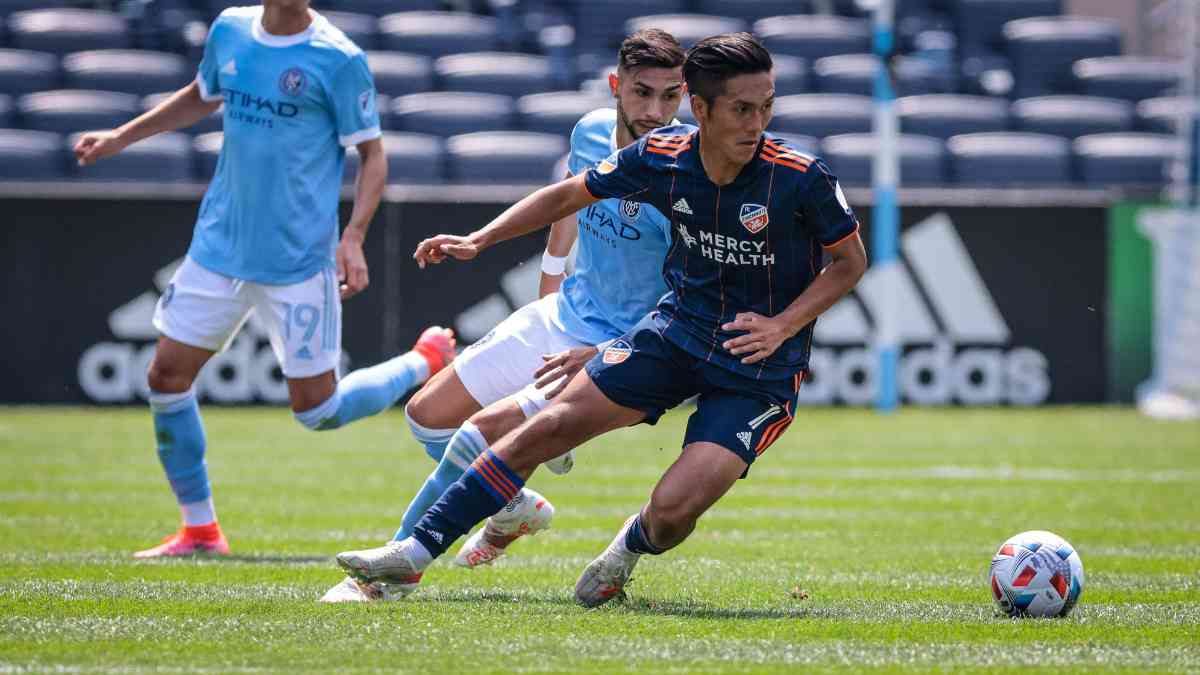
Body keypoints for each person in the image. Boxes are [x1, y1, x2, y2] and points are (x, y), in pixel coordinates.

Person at [334, 32, 869, 607]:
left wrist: (783, 323)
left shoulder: (799, 176)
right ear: (703, 108)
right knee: (543, 428)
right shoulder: (662, 159)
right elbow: (565, 197)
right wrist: (480, 239)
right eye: (742, 109)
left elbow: (850, 261)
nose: (756, 124)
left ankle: (629, 547)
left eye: (766, 107)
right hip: (675, 335)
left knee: (672, 514)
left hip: (755, 367)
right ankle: (413, 552)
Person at [73, 0, 455, 558]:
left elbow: (373, 155)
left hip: (298, 261)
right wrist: (120, 138)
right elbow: (201, 96)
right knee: (166, 377)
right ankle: (201, 530)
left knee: (317, 411)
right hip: (218, 248)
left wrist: (352, 237)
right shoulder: (230, 29)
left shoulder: (338, 57)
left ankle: (423, 362)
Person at [320, 29, 687, 602]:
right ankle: (511, 501)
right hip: (565, 313)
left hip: (624, 346)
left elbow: (692, 289)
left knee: (475, 437)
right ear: (616, 86)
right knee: (426, 417)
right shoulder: (590, 131)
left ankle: (386, 579)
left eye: (670, 97)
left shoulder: (688, 170)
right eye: (642, 93)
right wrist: (540, 284)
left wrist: (613, 352)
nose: (656, 112)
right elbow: (569, 204)